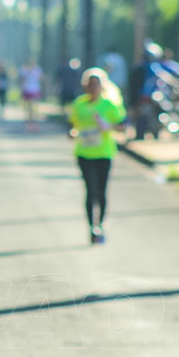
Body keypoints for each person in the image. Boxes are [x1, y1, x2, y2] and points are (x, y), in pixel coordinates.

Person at [68, 67, 127, 244]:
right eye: (90, 84)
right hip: (84, 153)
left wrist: (107, 126)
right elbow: (72, 125)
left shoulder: (109, 105)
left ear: (102, 86)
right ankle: (91, 227)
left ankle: (100, 224)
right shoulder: (79, 104)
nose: (93, 88)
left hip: (104, 153)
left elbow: (122, 126)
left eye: (97, 84)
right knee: (90, 190)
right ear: (85, 86)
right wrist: (71, 132)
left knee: (101, 191)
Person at [18, 57, 43, 130]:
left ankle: (33, 119)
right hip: (27, 89)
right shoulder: (24, 69)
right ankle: (29, 119)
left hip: (35, 89)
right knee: (28, 105)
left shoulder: (37, 69)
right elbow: (21, 79)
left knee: (34, 105)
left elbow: (41, 78)